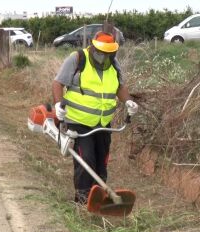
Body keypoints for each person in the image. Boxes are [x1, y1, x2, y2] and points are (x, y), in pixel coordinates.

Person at [52, 31, 138, 204]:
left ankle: (98, 197)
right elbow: (58, 83)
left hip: (103, 124)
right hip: (79, 123)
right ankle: (83, 200)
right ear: (93, 48)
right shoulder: (77, 59)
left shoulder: (113, 64)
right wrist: (57, 105)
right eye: (101, 53)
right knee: (86, 160)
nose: (104, 57)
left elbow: (119, 87)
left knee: (101, 160)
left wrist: (129, 102)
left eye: (108, 54)